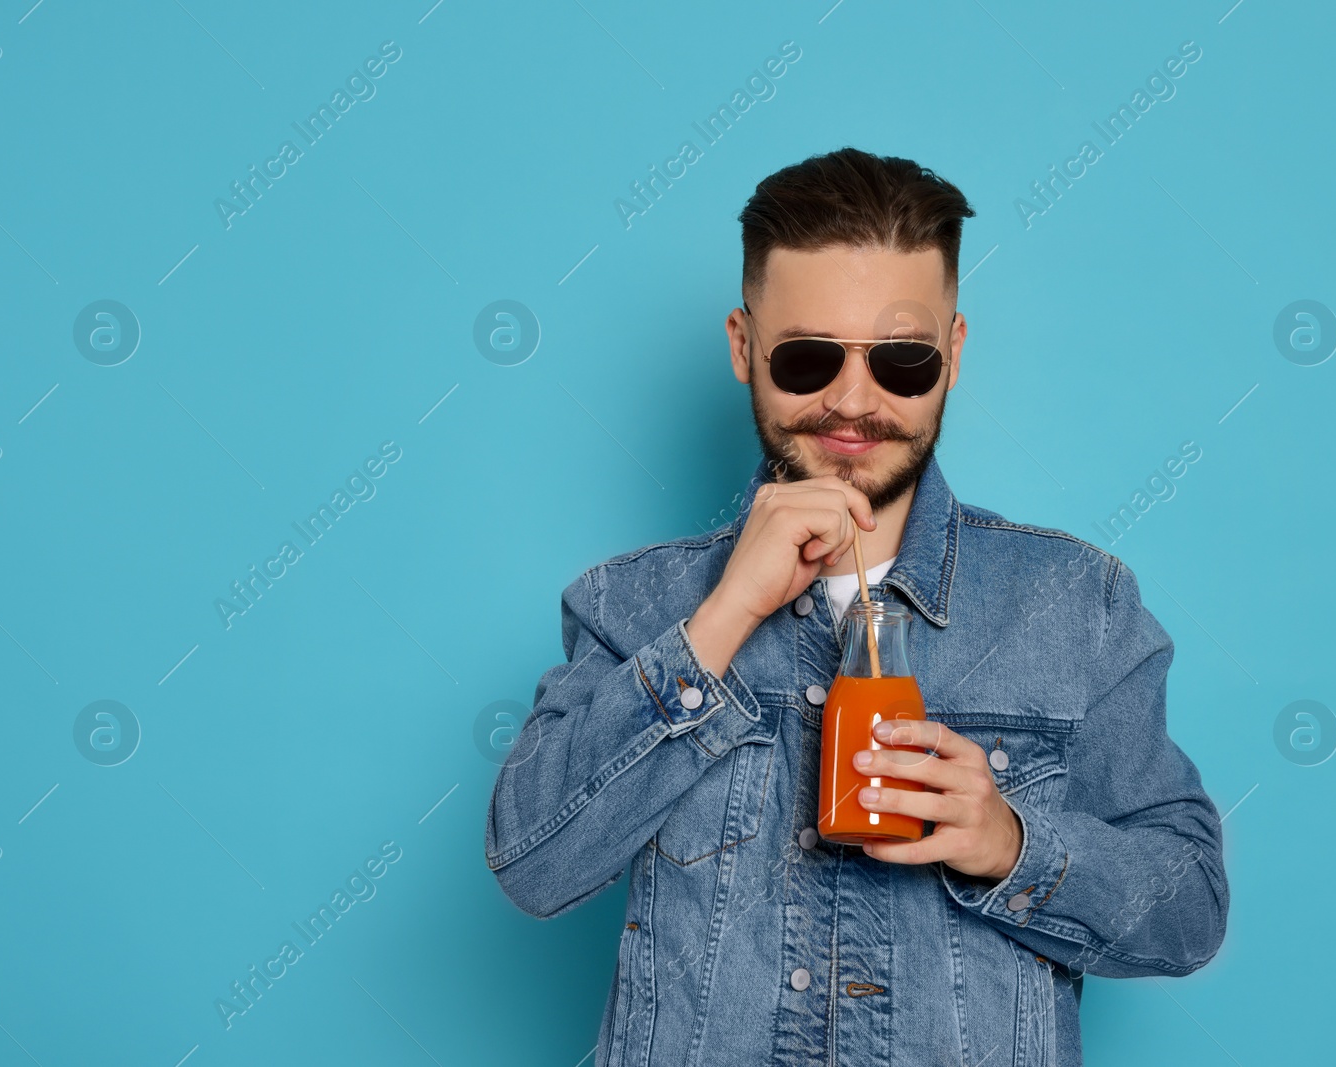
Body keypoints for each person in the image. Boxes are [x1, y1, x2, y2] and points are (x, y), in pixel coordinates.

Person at [485, 146, 1228, 1066]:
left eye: (901, 363)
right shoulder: (634, 604)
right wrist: (719, 621)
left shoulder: (1075, 605)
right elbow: (533, 863)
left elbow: (1190, 912)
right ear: (744, 347)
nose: (851, 402)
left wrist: (1008, 842)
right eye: (806, 358)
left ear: (952, 355)